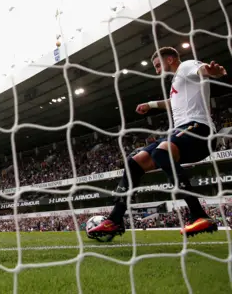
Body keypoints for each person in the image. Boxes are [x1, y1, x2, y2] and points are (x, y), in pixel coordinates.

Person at [89, 47, 226, 239]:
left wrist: (211, 72)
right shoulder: (177, 80)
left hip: (200, 130)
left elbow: (201, 69)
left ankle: (199, 215)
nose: (156, 71)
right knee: (134, 162)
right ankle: (115, 220)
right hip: (181, 132)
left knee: (162, 152)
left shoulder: (186, 66)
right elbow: (172, 102)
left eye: (157, 65)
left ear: (170, 59)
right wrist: (151, 105)